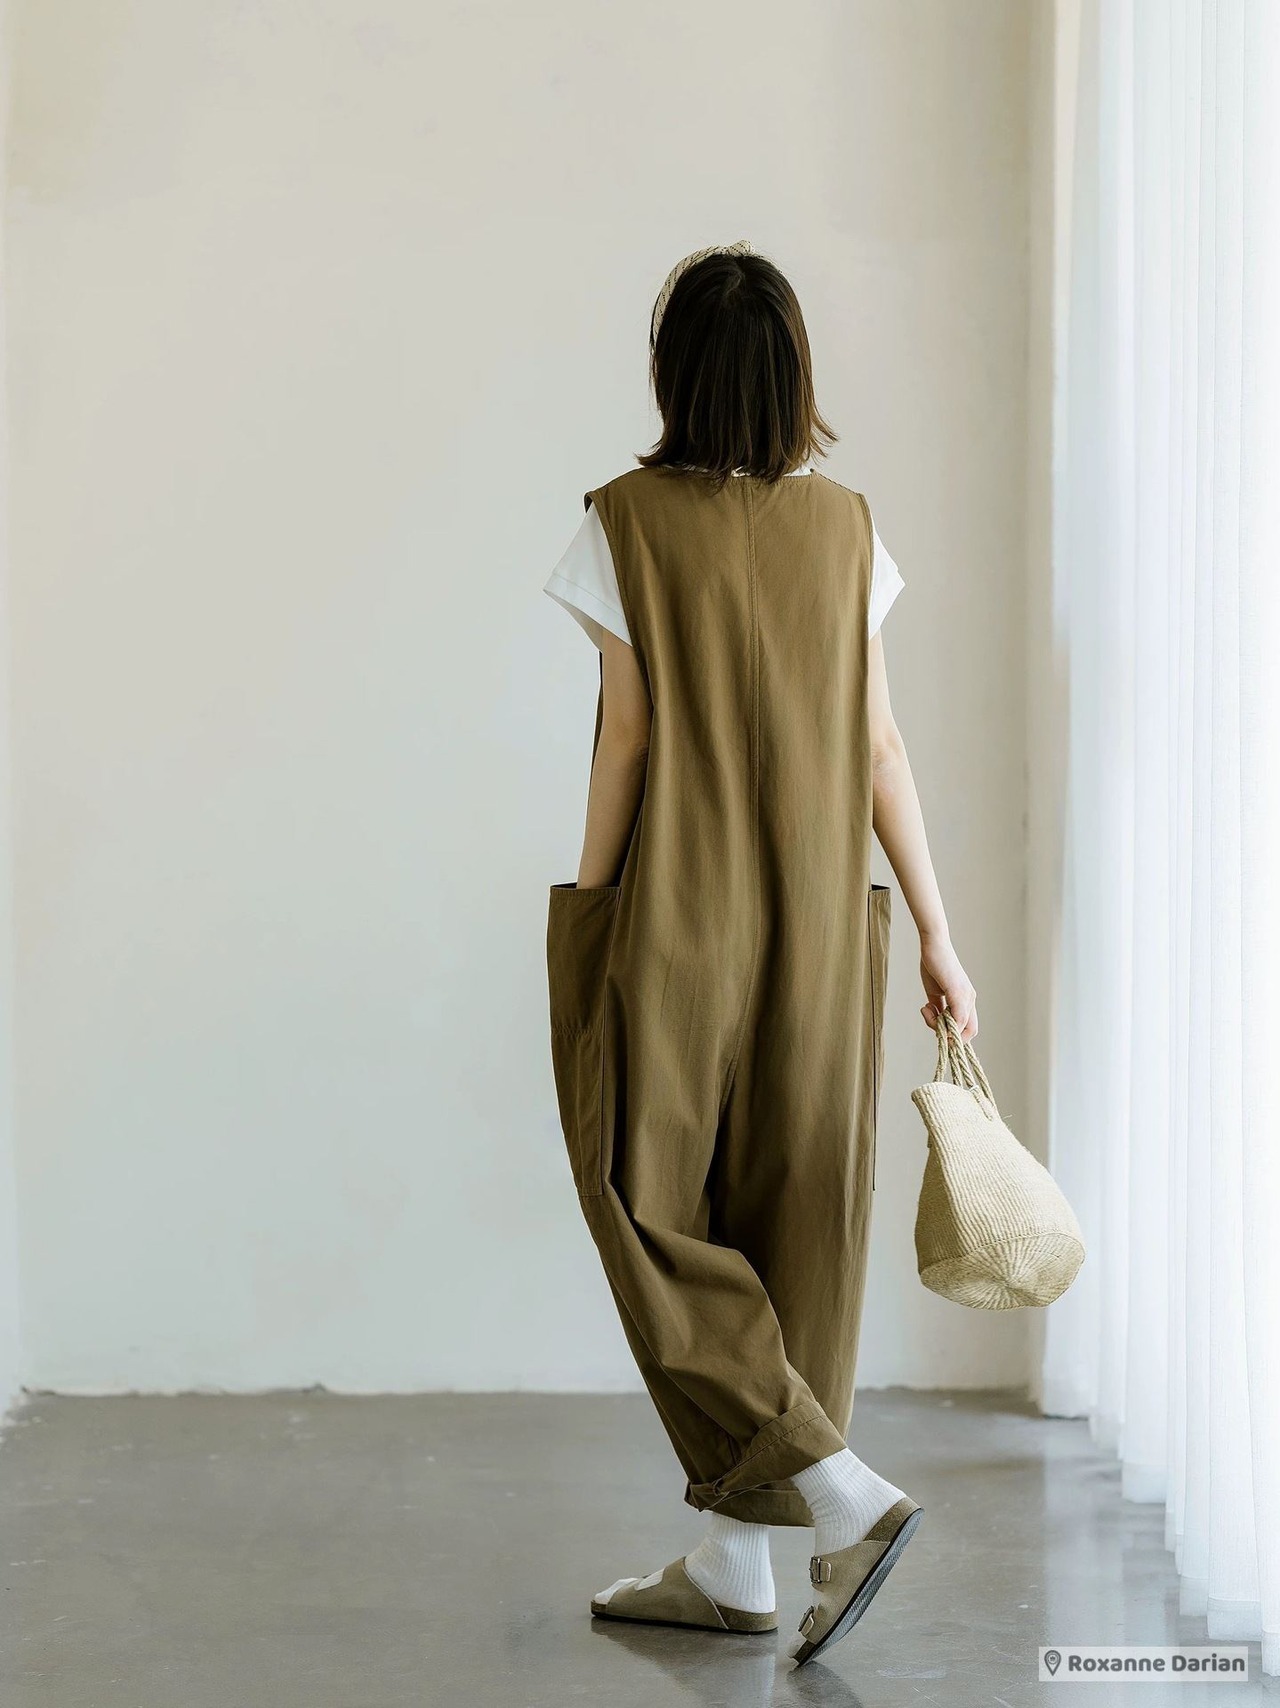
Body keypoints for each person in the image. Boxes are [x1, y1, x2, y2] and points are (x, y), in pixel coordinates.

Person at [542, 242, 978, 1668]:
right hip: (820, 920)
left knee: (645, 1196)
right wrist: (936, 930)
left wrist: (589, 912)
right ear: (795, 373)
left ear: (672, 371)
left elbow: (627, 739)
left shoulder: (621, 523)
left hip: (676, 911)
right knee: (797, 1218)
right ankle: (738, 1566)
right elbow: (881, 745)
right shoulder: (850, 532)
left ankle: (841, 1497)